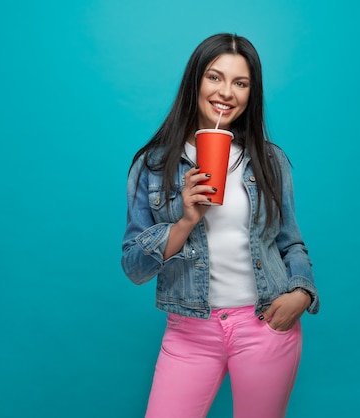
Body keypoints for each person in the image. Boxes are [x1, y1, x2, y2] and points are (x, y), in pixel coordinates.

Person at [121, 33, 319, 418]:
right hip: (189, 331)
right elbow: (133, 267)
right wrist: (186, 219)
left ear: (251, 93)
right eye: (215, 77)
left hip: (265, 325)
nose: (226, 92)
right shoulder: (152, 165)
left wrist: (303, 293)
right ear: (195, 82)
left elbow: (291, 243)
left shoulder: (270, 161)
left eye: (240, 83)